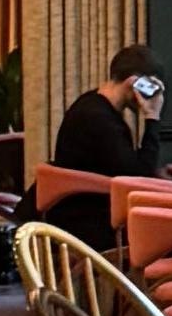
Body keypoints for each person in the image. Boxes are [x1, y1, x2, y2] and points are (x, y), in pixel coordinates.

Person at [48, 40, 165, 250]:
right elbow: (138, 178)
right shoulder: (99, 119)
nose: (155, 97)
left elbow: (120, 166)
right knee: (169, 234)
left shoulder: (91, 104)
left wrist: (158, 172)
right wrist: (152, 117)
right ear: (134, 83)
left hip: (81, 214)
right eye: (151, 88)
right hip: (91, 224)